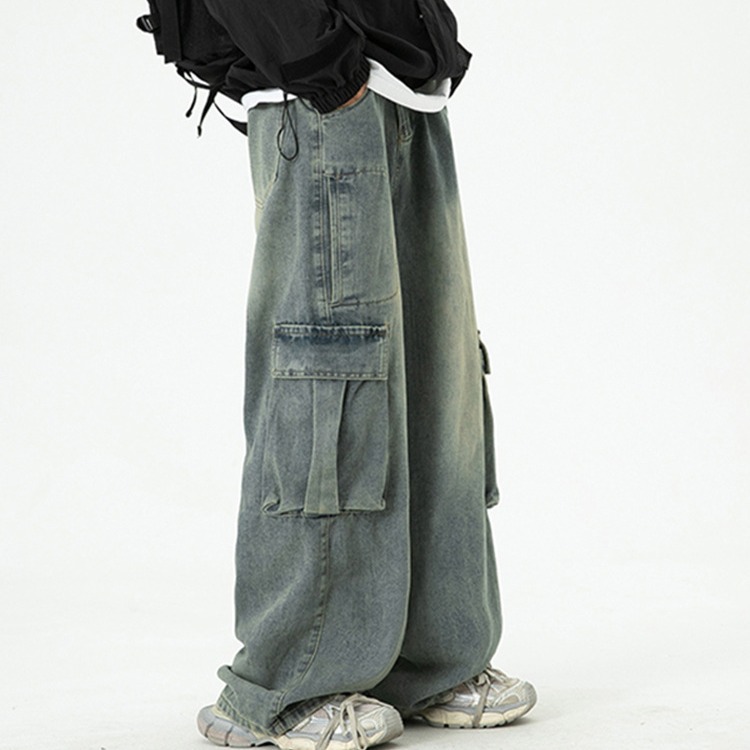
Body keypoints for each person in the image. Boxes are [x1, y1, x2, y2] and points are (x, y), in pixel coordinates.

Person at [193, 1, 537, 747]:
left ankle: (430, 661)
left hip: (404, 90)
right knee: (331, 378)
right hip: (321, 97)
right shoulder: (326, 81)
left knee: (435, 373)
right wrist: (322, 67)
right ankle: (290, 683)